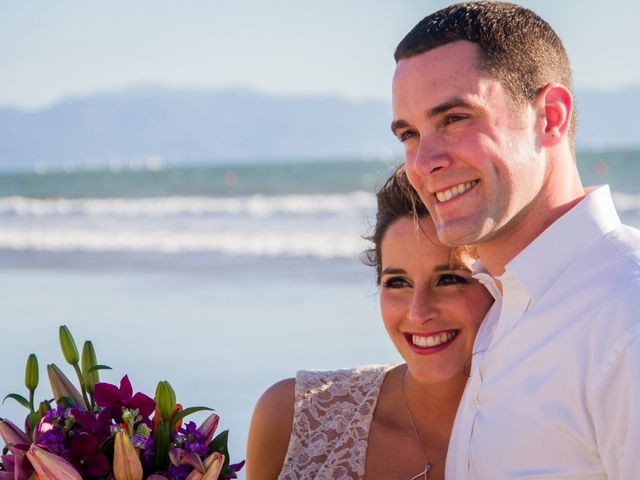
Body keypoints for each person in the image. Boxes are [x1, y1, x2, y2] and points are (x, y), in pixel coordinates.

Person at [391, 2, 640, 479]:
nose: (423, 163)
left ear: (551, 117)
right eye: (409, 134)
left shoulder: (624, 318)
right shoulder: (497, 306)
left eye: (455, 118)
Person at [245, 166, 494, 480]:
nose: (418, 313)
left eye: (448, 279)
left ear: (498, 284)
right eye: (397, 283)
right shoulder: (293, 418)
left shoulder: (548, 430)